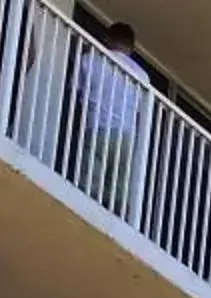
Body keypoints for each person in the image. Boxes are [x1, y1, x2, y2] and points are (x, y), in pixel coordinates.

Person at [73, 18, 154, 218]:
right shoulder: (142, 76)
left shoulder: (89, 59)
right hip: (126, 137)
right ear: (131, 47)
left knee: (89, 185)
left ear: (107, 39)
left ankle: (86, 218)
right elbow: (142, 111)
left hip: (96, 127)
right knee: (118, 192)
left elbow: (75, 92)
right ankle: (116, 225)